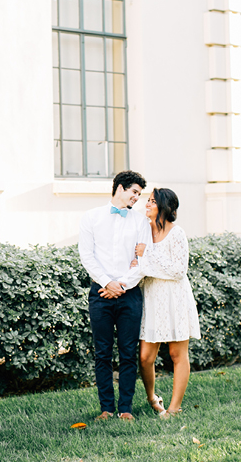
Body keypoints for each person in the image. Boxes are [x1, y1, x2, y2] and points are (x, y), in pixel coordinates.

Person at [78, 170, 152, 422]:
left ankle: (126, 409)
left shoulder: (140, 221)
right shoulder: (91, 217)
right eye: (134, 192)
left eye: (139, 195)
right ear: (120, 188)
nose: (136, 198)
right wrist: (108, 283)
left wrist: (121, 285)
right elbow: (87, 256)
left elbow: (142, 259)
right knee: (103, 353)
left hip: (130, 295)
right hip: (99, 293)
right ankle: (106, 408)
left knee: (128, 353)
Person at [131, 188, 200, 419]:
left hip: (174, 298)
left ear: (165, 207)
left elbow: (179, 271)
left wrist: (148, 253)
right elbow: (139, 264)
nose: (147, 204)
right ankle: (152, 397)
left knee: (177, 354)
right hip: (152, 297)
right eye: (147, 201)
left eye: (152, 201)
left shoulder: (177, 233)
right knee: (145, 357)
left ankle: (174, 408)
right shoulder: (143, 231)